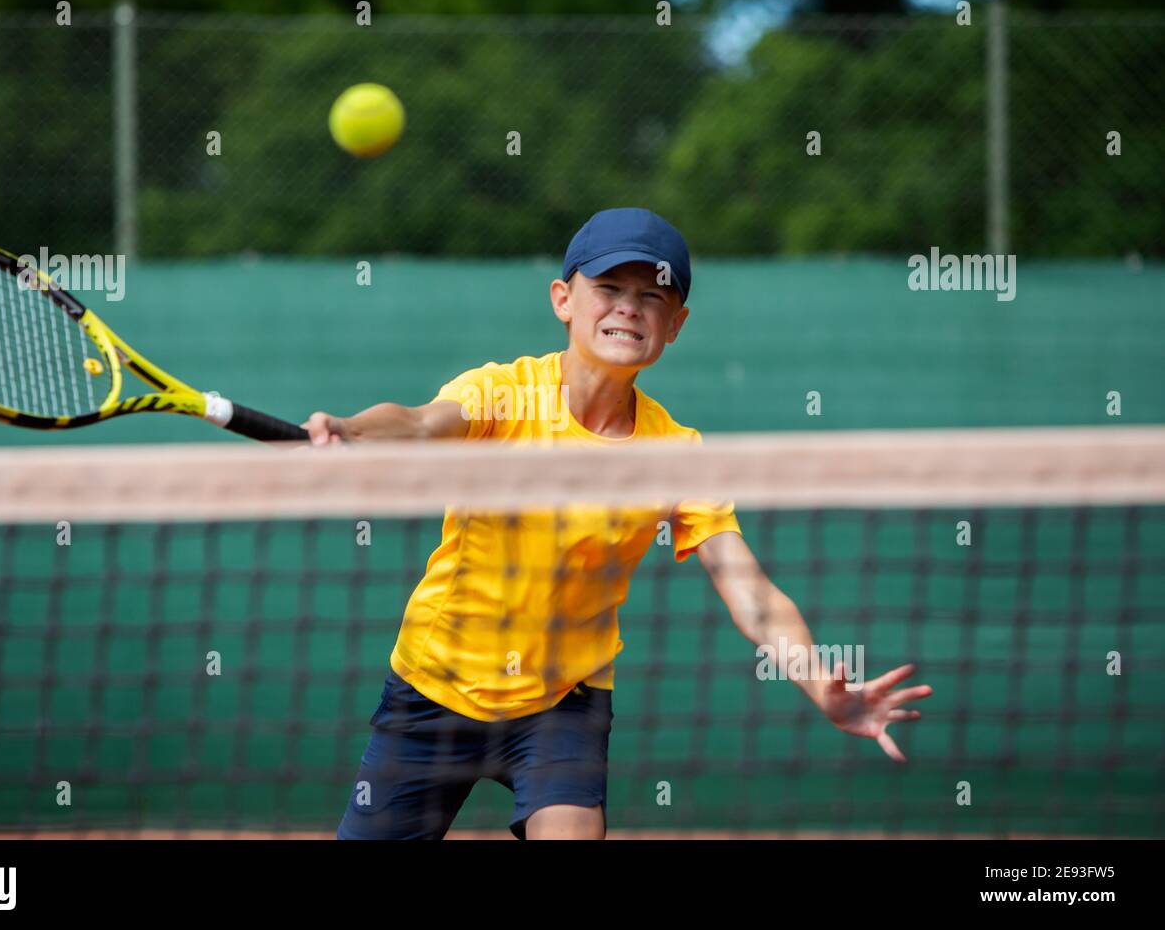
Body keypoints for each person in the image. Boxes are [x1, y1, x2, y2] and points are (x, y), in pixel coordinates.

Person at [305, 208, 933, 839]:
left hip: (562, 706)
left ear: (675, 324)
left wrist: (819, 682)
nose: (628, 308)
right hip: (433, 690)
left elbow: (751, 592)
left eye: (652, 296)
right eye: (608, 289)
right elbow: (419, 423)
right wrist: (351, 430)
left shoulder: (676, 451)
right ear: (564, 300)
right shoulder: (503, 393)